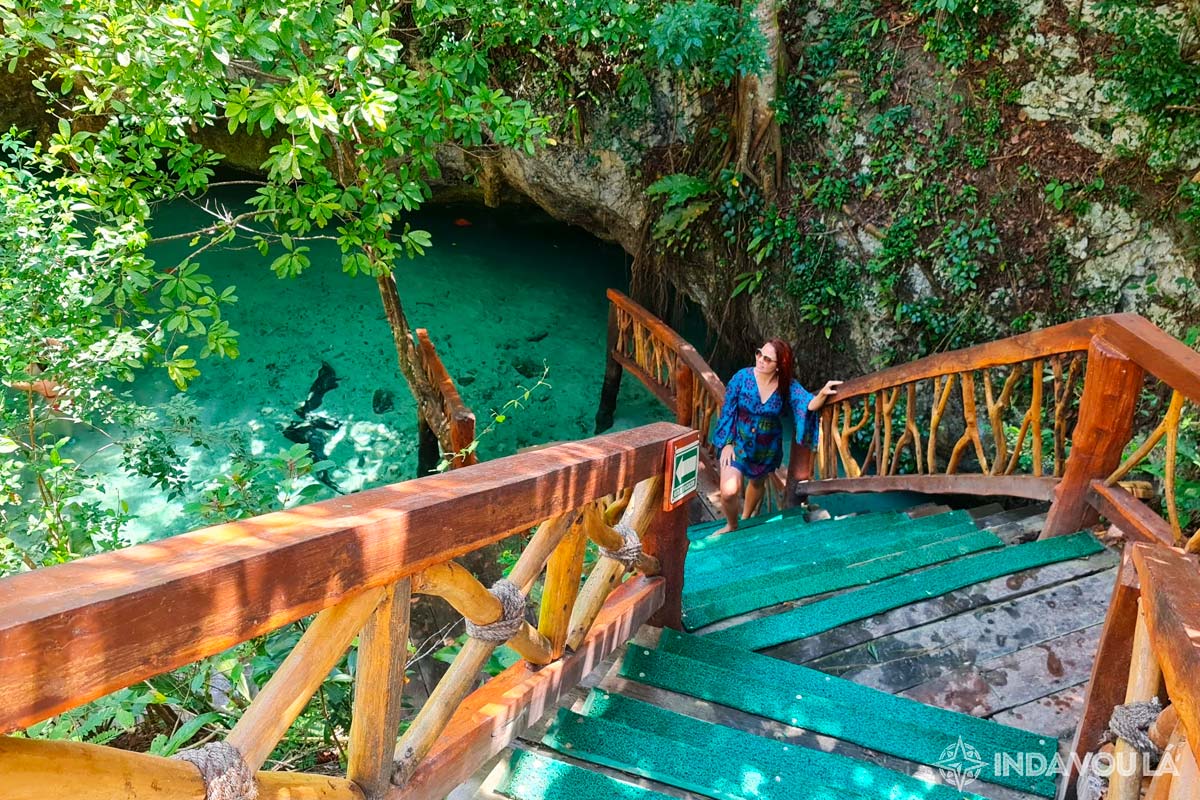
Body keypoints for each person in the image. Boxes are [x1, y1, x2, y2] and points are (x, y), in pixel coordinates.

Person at [711, 338, 841, 533]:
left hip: (766, 446)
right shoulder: (742, 378)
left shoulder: (787, 386)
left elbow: (807, 405)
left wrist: (822, 394)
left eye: (767, 359)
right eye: (759, 354)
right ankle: (732, 525)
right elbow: (728, 410)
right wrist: (727, 443)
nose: (760, 360)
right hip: (738, 441)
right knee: (729, 492)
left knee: (757, 482)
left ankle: (746, 518)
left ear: (780, 365)